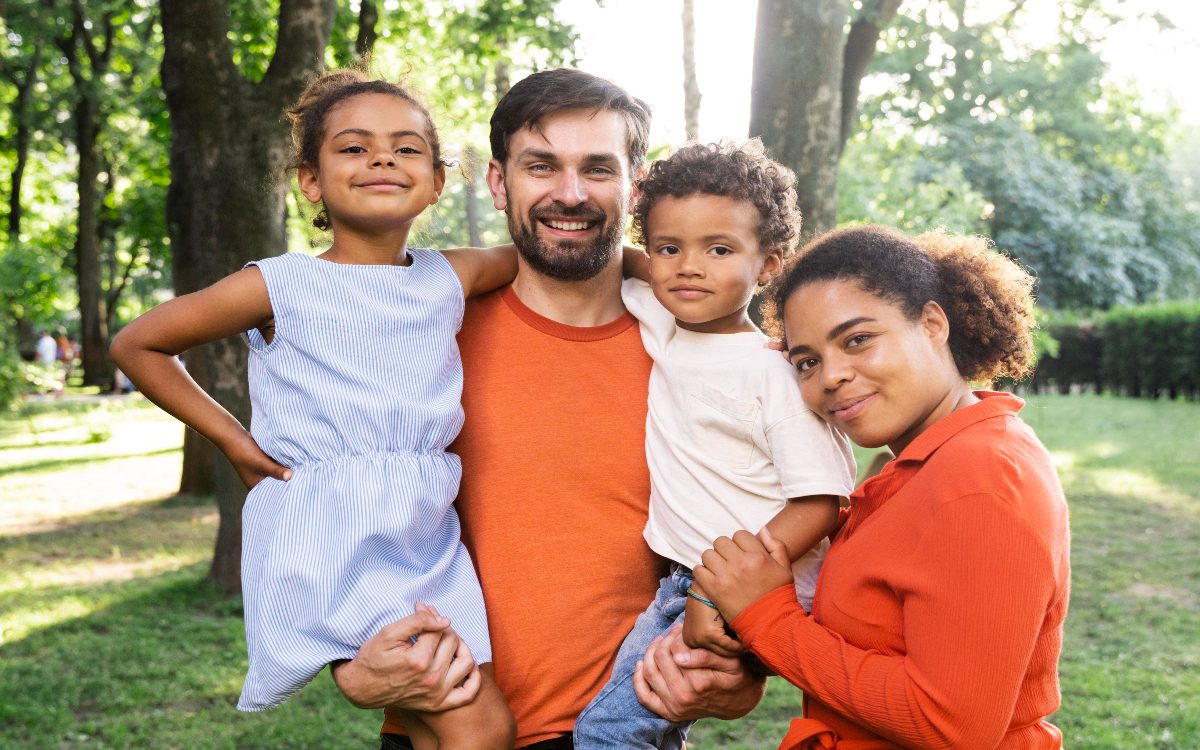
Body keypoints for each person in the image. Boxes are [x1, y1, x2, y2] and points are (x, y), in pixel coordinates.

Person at [331, 68, 768, 750]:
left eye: (598, 168)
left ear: (635, 186)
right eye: (541, 166)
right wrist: (347, 665)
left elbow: (767, 528)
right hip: (441, 722)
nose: (570, 193)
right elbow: (325, 501)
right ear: (499, 182)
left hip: (618, 731)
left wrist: (741, 679)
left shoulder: (702, 351)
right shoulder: (422, 331)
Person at [110, 69, 517, 750]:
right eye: (355, 148)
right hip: (338, 530)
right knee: (480, 724)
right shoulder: (281, 284)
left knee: (434, 723)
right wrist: (233, 441)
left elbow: (553, 257)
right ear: (310, 181)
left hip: (427, 531)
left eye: (407, 148)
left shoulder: (452, 273)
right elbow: (138, 344)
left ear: (438, 181)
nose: (382, 159)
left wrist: (645, 263)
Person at [695, 225, 1071, 749]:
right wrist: (747, 646)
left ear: (933, 325)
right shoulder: (913, 469)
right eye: (807, 362)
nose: (830, 377)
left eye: (857, 340)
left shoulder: (982, 478)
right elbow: (879, 640)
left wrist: (767, 618)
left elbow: (949, 726)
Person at [573, 141, 856, 750]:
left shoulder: (773, 373)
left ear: (770, 264)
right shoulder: (662, 322)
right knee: (646, 724)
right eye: (669, 248)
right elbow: (615, 262)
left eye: (719, 250)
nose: (689, 267)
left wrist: (717, 592)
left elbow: (822, 503)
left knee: (607, 733)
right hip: (686, 583)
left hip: (742, 588)